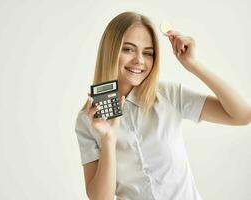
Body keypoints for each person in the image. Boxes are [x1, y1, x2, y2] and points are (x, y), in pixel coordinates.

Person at [74, 11, 251, 200]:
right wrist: (108, 139)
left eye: (148, 53)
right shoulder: (88, 120)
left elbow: (242, 115)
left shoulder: (169, 95)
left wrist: (192, 64)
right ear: (110, 50)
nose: (139, 60)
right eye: (128, 49)